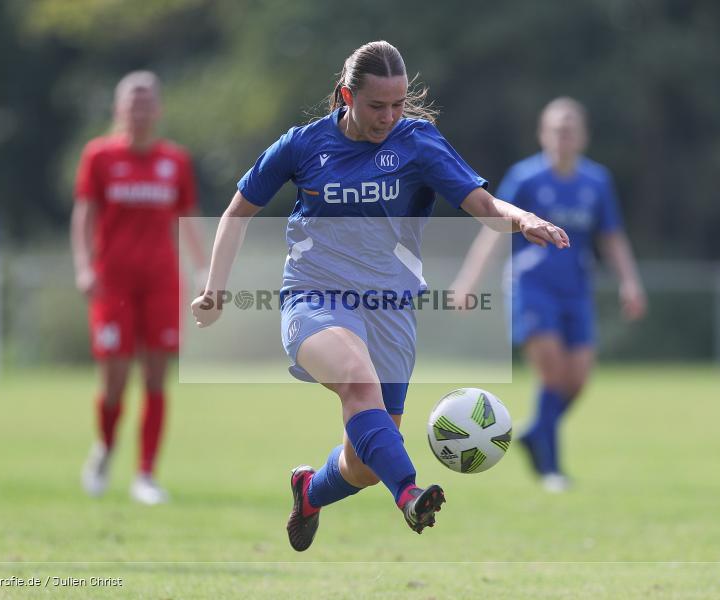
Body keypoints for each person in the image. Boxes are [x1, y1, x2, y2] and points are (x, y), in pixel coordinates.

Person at [191, 41, 569, 551]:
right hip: (314, 296)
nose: (389, 117)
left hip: (390, 310)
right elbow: (238, 212)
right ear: (347, 95)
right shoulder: (303, 145)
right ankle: (409, 493)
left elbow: (482, 204)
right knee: (358, 380)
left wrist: (523, 219)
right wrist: (214, 289)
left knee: (364, 464)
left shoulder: (418, 143)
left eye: (398, 104)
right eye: (376, 105)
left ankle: (310, 492)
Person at [451, 97, 646, 492]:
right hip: (531, 286)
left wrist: (630, 281)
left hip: (576, 290)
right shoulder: (525, 178)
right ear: (543, 134)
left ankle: (535, 431)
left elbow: (611, 237)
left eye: (570, 130)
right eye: (556, 129)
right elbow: (494, 227)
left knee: (578, 380)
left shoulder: (597, 182)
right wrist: (469, 280)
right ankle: (551, 469)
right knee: (553, 373)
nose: (563, 136)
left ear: (583, 136)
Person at [71, 71, 207, 505]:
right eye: (133, 104)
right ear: (119, 109)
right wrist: (84, 267)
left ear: (158, 110)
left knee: (155, 377)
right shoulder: (99, 156)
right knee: (114, 378)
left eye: (147, 104)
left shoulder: (175, 161)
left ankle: (145, 474)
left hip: (161, 282)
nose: (140, 112)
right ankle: (105, 446)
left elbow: (188, 218)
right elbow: (84, 214)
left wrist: (204, 270)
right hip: (113, 283)